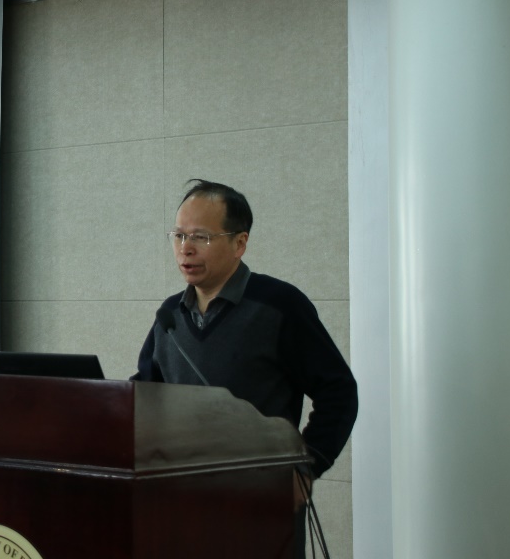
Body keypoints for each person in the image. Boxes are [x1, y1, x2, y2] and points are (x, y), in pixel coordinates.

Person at [131, 179, 357, 556]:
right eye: (179, 235)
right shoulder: (170, 315)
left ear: (240, 243)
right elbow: (144, 396)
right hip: (180, 503)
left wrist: (306, 469)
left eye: (201, 237)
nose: (185, 248)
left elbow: (339, 391)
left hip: (260, 507)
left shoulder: (279, 305)